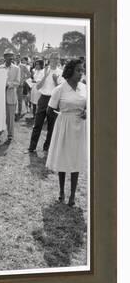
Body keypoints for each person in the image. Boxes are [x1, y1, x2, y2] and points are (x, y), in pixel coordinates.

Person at [45, 59, 87, 206]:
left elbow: (89, 106)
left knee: (76, 158)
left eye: (82, 70)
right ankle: (62, 191)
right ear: (69, 72)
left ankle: (73, 195)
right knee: (63, 158)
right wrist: (63, 118)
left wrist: (86, 112)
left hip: (80, 127)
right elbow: (49, 111)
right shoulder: (60, 89)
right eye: (78, 70)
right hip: (64, 126)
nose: (81, 73)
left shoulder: (84, 88)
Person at [26, 53, 64, 153]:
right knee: (37, 124)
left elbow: (60, 90)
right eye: (54, 58)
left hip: (54, 99)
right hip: (43, 99)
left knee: (51, 126)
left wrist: (55, 81)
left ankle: (47, 147)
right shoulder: (43, 71)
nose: (56, 60)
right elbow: (38, 87)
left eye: (57, 58)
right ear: (49, 59)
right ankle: (32, 147)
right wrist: (45, 76)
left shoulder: (61, 72)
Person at [0, 49, 20, 143]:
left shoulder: (16, 68)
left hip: (11, 96)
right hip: (0, 97)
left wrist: (9, 85)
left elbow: (17, 82)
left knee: (10, 117)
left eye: (11, 55)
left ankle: (10, 135)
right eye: (8, 55)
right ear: (4, 57)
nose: (10, 57)